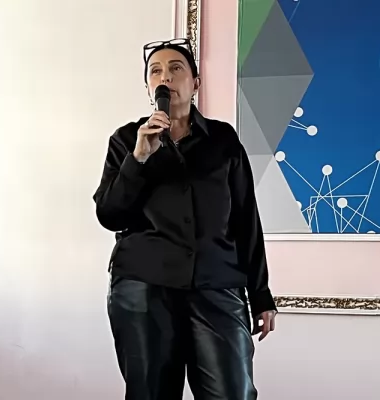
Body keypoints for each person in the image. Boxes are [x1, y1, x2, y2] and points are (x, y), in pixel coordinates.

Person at [93, 38, 277, 400]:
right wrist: (138, 159)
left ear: (195, 83)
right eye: (156, 71)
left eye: (176, 68)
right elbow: (109, 214)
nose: (165, 77)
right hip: (144, 287)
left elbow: (246, 219)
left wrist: (260, 294)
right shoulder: (126, 140)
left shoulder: (223, 140)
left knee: (232, 392)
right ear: (149, 87)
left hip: (216, 285)